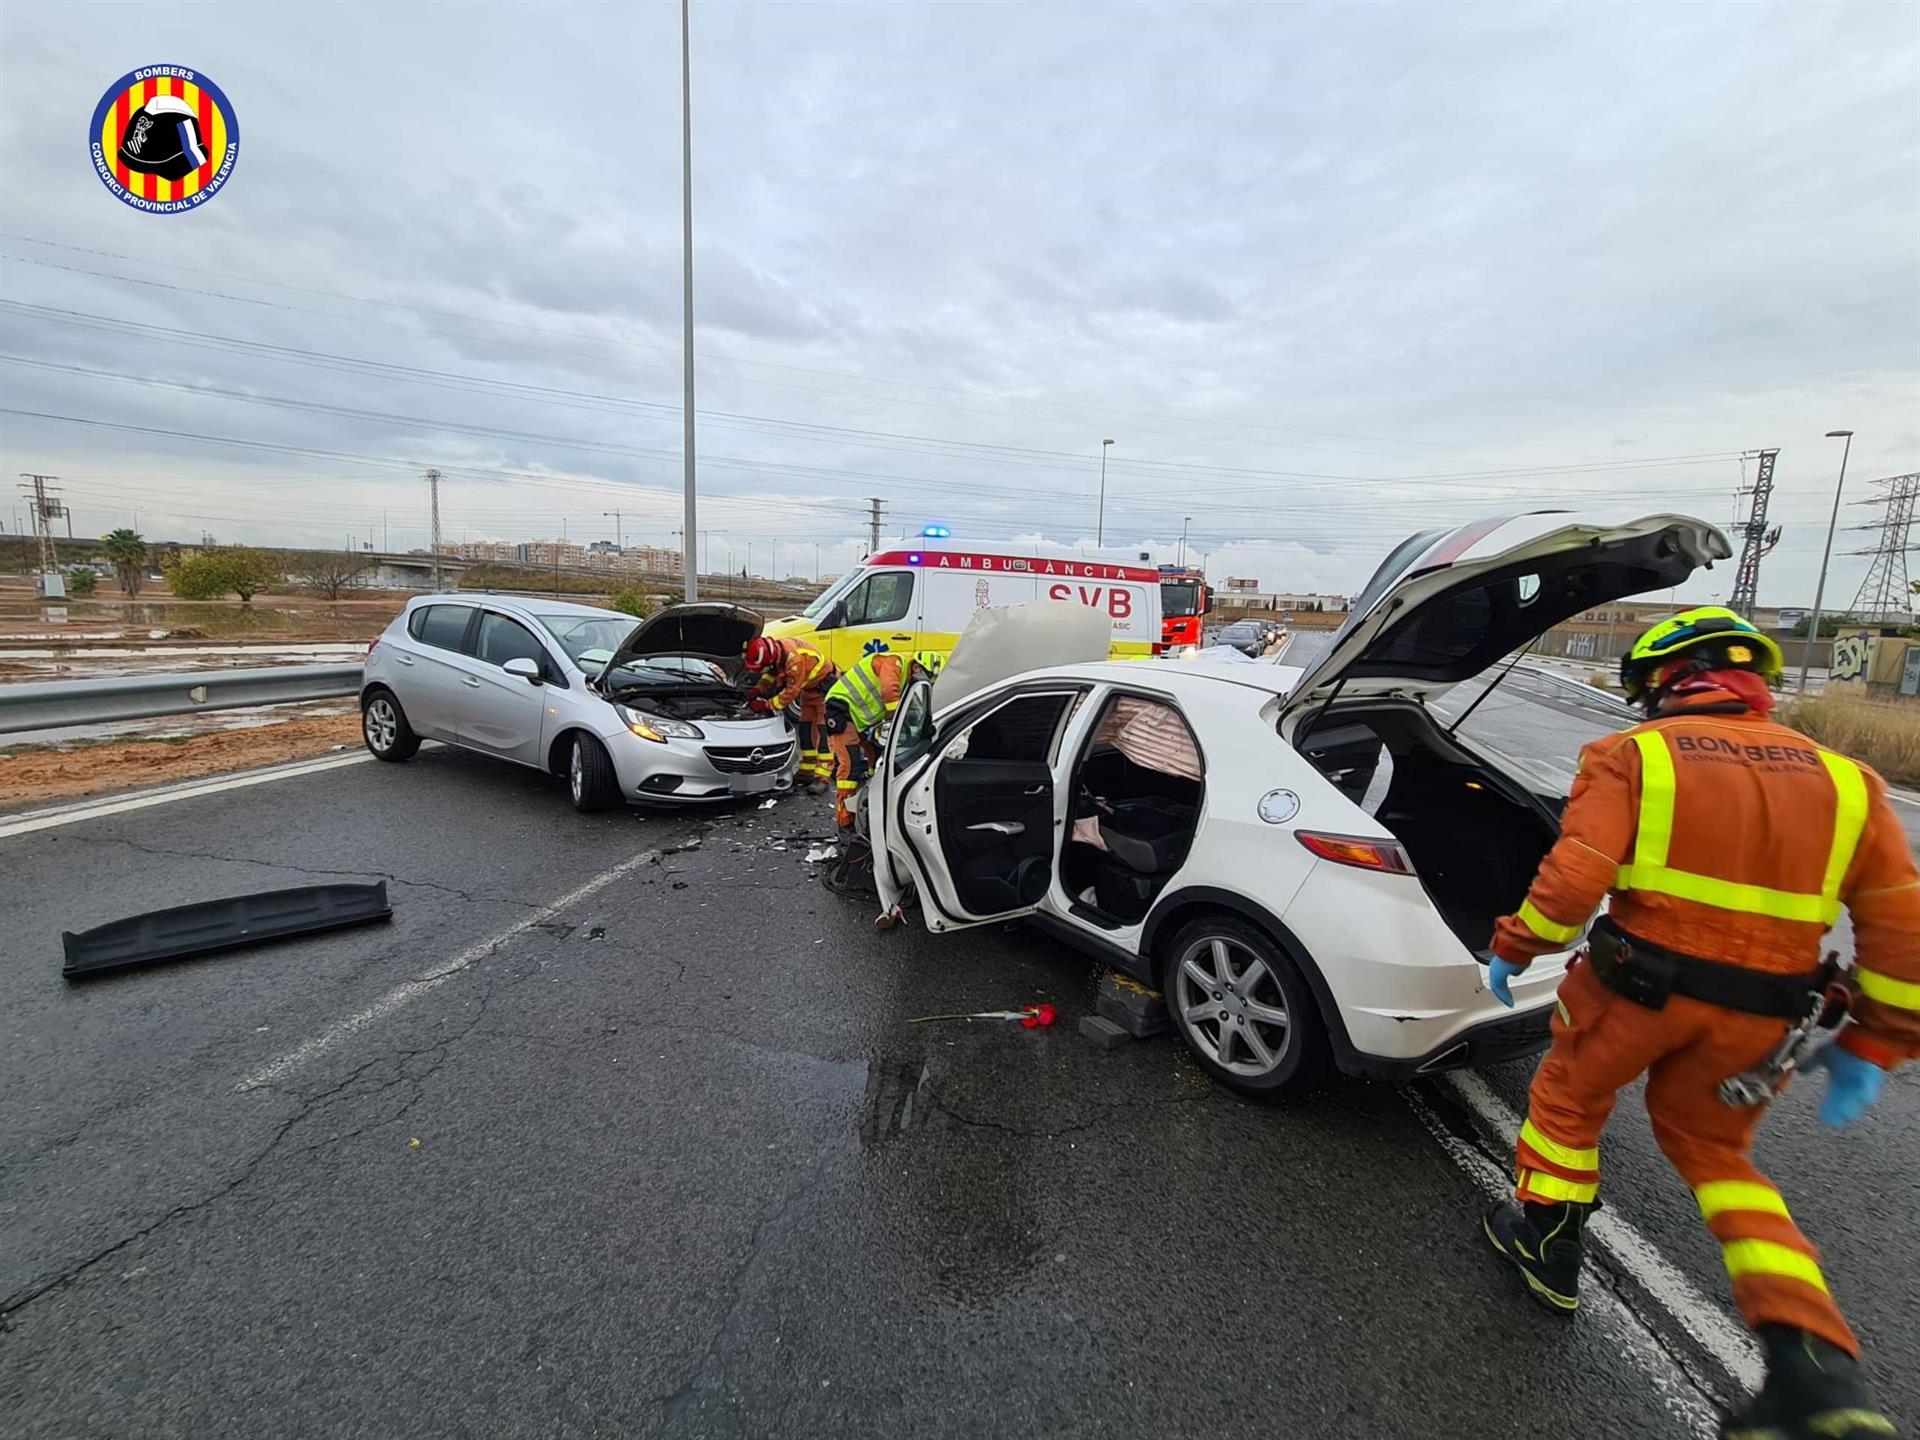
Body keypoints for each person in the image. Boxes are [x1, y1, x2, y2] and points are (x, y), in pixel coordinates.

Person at [1481, 607, 1918, 1440]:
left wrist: (1514, 946)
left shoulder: (1634, 756)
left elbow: (1575, 879)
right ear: (1755, 682)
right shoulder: (1848, 782)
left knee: (1569, 1106)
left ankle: (1547, 1249)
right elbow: (1901, 929)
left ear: (1663, 683)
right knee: (1721, 1158)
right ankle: (1815, 1372)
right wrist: (1878, 1038)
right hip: (1764, 1020)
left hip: (1633, 994)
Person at [823, 649, 944, 833]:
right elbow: (889, 691)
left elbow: (910, 707)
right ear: (916, 665)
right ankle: (844, 822)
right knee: (850, 768)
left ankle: (872, 803)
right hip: (841, 708)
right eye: (921, 672)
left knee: (878, 761)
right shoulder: (893, 663)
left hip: (859, 719)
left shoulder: (908, 680)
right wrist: (893, 721)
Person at [742, 636, 836, 795]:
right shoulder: (779, 652)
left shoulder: (795, 661)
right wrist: (758, 689)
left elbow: (790, 692)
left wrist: (765, 705)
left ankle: (823, 777)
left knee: (822, 733)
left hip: (826, 690)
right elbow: (771, 674)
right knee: (805, 730)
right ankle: (807, 771)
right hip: (810, 689)